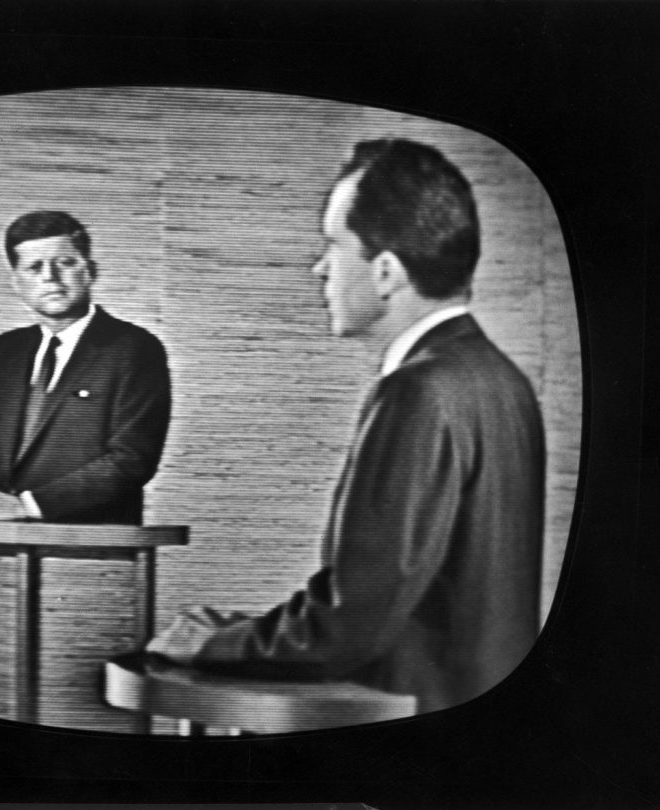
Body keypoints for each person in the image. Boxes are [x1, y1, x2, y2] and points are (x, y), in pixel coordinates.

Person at [147, 139, 545, 714]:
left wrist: (218, 642)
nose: (319, 267)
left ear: (386, 272)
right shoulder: (500, 379)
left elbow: (351, 621)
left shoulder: (417, 391)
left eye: (333, 245)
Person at [0, 210, 171, 524]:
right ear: (17, 283)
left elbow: (131, 460)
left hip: (89, 545)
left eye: (64, 263)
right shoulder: (0, 352)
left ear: (90, 271)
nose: (49, 277)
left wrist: (26, 506)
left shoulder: (134, 348)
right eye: (34, 267)